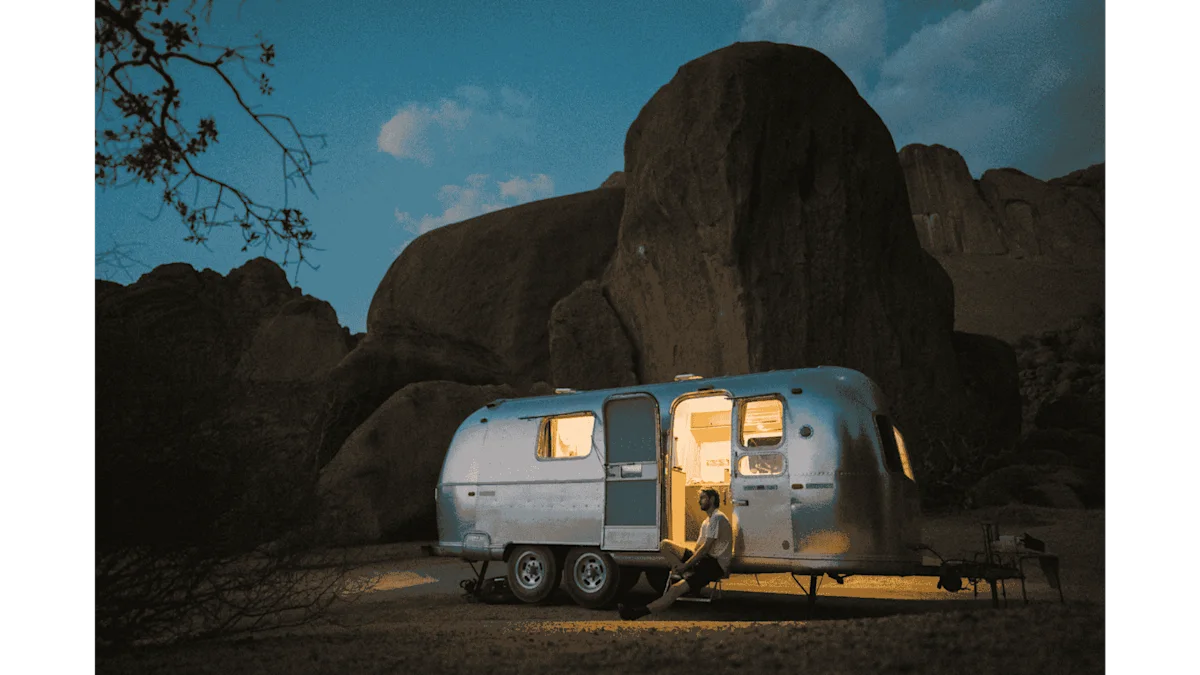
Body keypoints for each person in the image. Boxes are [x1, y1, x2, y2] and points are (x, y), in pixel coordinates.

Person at [618, 488, 732, 620]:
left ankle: (636, 613)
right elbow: (698, 547)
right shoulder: (707, 521)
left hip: (714, 565)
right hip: (704, 560)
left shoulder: (717, 518)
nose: (699, 501)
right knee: (665, 545)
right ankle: (685, 573)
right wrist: (686, 564)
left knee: (674, 590)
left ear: (712, 499)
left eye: (703, 498)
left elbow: (705, 548)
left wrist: (686, 565)